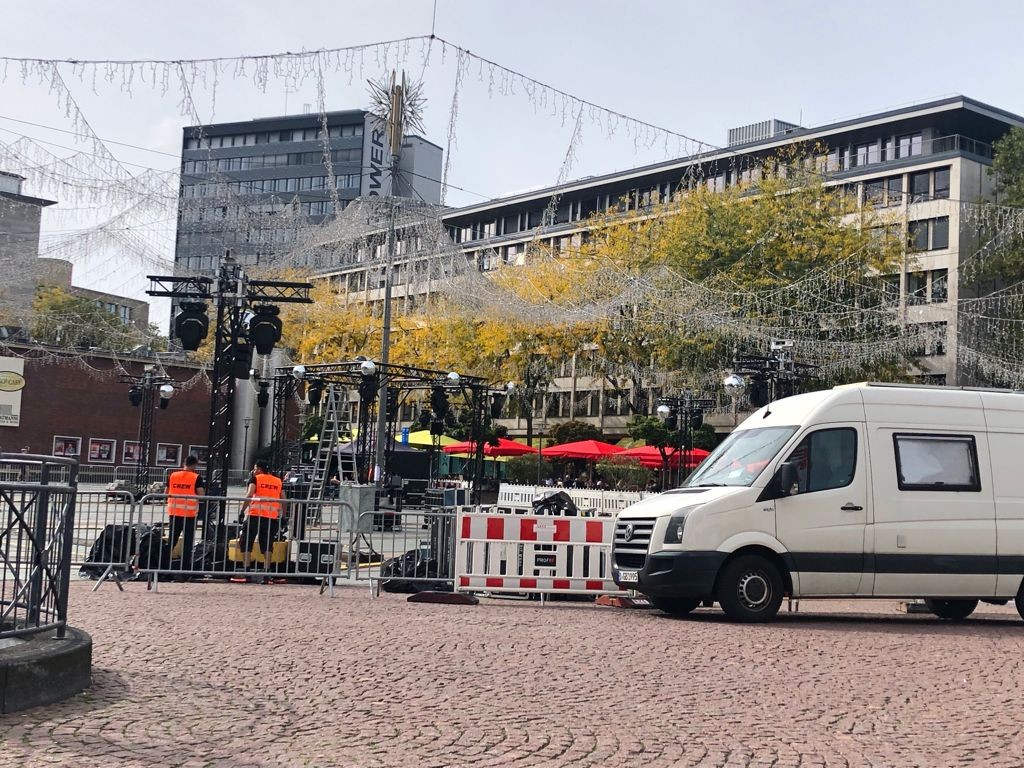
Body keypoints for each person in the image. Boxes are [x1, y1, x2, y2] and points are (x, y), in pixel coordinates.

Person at [237, 460, 283, 583]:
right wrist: (283, 515)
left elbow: (249, 494)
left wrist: (242, 511)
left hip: (255, 515)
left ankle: (247, 572)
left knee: (246, 542)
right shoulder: (278, 481)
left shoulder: (255, 479)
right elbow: (284, 499)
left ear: (259, 469)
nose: (253, 470)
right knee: (267, 544)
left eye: (255, 468)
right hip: (270, 517)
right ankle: (267, 573)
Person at [166, 455, 205, 574]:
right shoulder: (196, 477)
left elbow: (166, 493)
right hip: (189, 515)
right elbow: (202, 495)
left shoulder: (172, 476)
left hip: (174, 513)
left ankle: (164, 564)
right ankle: (185, 568)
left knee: (172, 540)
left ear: (184, 463)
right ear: (194, 465)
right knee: (188, 542)